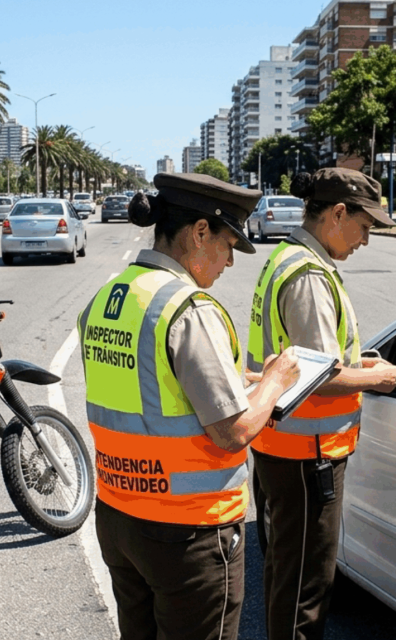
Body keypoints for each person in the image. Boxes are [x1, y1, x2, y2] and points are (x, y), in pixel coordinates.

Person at [78, 172, 301, 640]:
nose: (230, 262)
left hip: (119, 515)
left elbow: (151, 385)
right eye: (228, 245)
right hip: (186, 530)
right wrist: (275, 381)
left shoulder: (106, 298)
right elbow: (233, 431)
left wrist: (240, 382)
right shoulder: (187, 308)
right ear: (200, 232)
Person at [246, 168, 396, 640]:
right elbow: (319, 377)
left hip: (282, 446)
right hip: (307, 455)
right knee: (305, 589)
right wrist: (375, 377)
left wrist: (355, 362)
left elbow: (309, 356)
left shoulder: (287, 258)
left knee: (286, 573)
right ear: (337, 214)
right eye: (365, 226)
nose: (365, 240)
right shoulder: (310, 276)